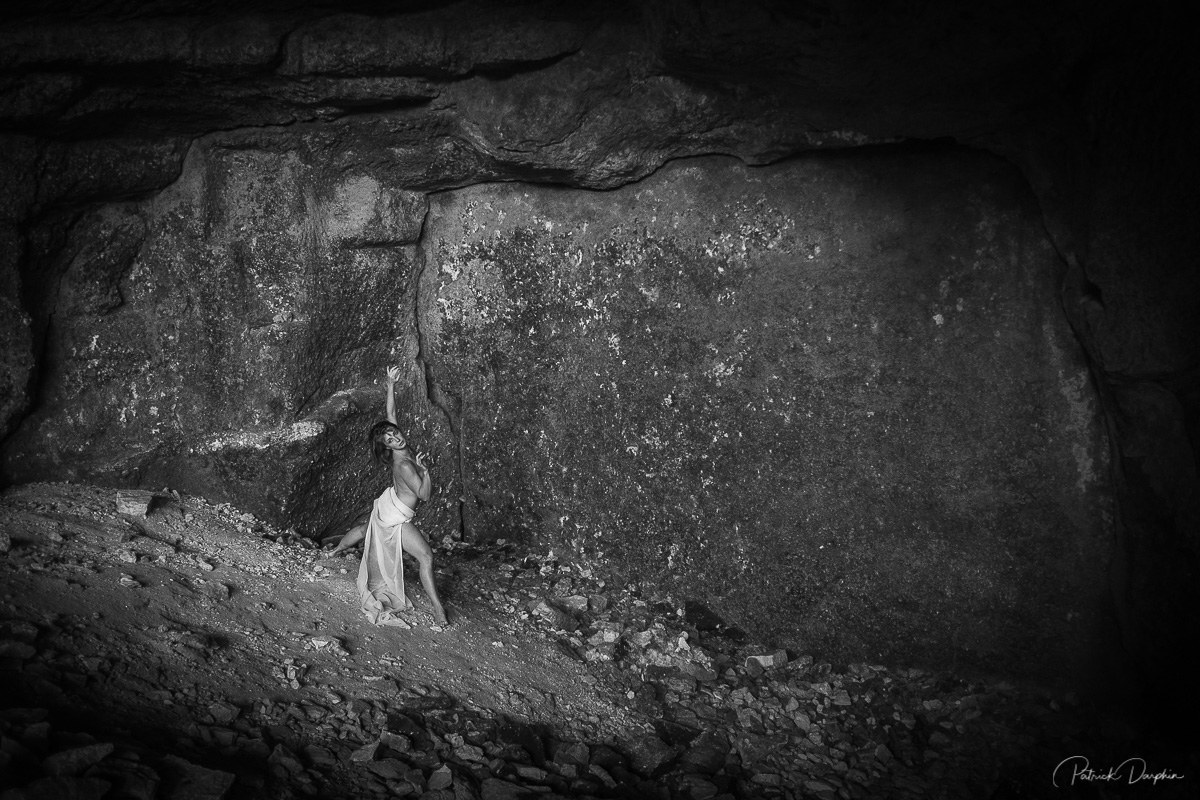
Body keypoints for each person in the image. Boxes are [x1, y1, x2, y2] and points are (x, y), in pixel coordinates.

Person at [325, 366, 449, 628]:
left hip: (388, 502)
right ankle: (439, 610)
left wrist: (390, 384)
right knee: (426, 557)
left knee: (366, 528)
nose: (396, 438)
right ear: (387, 448)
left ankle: (336, 550)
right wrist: (426, 473)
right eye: (390, 440)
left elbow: (391, 414)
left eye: (395, 434)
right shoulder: (404, 465)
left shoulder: (400, 447)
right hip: (395, 517)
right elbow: (425, 495)